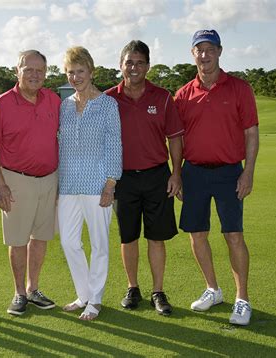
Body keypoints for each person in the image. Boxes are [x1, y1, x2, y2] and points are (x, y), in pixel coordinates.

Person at [175, 30, 259, 326]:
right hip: (194, 172)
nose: (204, 54)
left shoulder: (239, 88)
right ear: (193, 54)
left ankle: (242, 298)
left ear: (219, 52)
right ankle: (213, 288)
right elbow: (176, 139)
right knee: (196, 234)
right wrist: (178, 174)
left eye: (210, 49)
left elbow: (251, 133)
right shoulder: (184, 94)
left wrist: (248, 172)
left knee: (233, 234)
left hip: (228, 172)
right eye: (199, 49)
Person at [106, 40, 184, 316]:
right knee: (128, 237)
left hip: (157, 176)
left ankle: (158, 291)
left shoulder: (162, 97)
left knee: (156, 237)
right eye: (129, 62)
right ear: (121, 65)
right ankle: (133, 287)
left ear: (148, 66)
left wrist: (176, 173)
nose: (134, 67)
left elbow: (175, 138)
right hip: (122, 178)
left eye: (140, 62)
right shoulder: (108, 99)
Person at [0, 50, 61, 316]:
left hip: (49, 179)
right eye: (29, 69)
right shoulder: (2, 104)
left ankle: (33, 288)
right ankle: (19, 292)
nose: (35, 75)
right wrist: (0, 186)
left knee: (40, 238)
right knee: (18, 241)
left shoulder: (53, 99)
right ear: (17, 71)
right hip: (16, 180)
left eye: (40, 70)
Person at [58, 47, 122, 321]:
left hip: (98, 186)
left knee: (99, 244)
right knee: (69, 242)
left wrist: (110, 184)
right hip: (68, 185)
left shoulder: (108, 105)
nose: (75, 77)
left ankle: (94, 300)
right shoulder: (65, 104)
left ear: (91, 72)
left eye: (80, 71)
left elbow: (114, 145)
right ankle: (83, 293)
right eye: (70, 72)